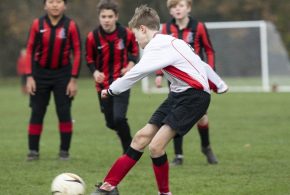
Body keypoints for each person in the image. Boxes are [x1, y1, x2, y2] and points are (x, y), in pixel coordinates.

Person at [91, 5, 224, 195]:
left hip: (193, 97)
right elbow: (200, 64)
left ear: (143, 29)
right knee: (140, 138)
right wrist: (219, 84)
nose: (136, 41)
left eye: (136, 35)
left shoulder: (157, 46)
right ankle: (108, 186)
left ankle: (164, 193)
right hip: (178, 95)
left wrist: (111, 90)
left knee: (155, 146)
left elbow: (137, 72)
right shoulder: (171, 42)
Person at [155, 0, 227, 165]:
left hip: (197, 81)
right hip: (175, 79)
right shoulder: (165, 29)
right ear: (170, 11)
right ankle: (178, 155)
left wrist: (211, 72)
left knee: (202, 117)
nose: (177, 9)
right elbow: (160, 54)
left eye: (180, 5)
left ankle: (206, 147)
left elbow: (209, 50)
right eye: (173, 7)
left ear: (188, 8)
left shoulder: (199, 27)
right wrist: (159, 74)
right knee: (175, 115)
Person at [25, 0, 81, 161]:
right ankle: (33, 152)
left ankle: (64, 152)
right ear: (45, 5)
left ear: (65, 5)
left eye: (58, 1)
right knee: (37, 112)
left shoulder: (70, 25)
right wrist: (29, 77)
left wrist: (73, 79)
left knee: (64, 112)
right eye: (51, 1)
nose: (55, 5)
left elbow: (77, 52)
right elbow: (29, 50)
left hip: (63, 75)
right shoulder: (37, 24)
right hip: (39, 75)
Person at [86, 0, 139, 154]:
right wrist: (95, 72)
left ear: (116, 17)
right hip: (103, 86)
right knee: (110, 123)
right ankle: (128, 141)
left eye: (110, 16)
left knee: (119, 119)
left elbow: (134, 51)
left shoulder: (126, 34)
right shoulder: (92, 37)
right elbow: (89, 58)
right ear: (99, 18)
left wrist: (130, 65)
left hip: (122, 83)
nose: (107, 20)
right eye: (103, 16)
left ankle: (129, 152)